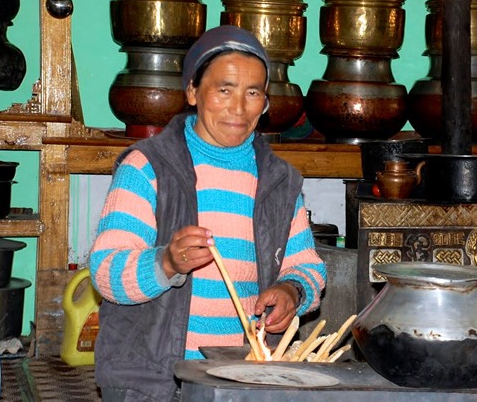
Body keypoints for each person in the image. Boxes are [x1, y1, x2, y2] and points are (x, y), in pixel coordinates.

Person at [89, 25, 327, 402]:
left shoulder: (279, 181)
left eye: (253, 93)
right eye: (224, 90)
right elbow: (105, 272)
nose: (239, 107)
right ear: (192, 92)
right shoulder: (147, 168)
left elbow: (308, 267)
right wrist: (165, 263)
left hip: (245, 377)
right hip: (155, 381)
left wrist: (292, 291)